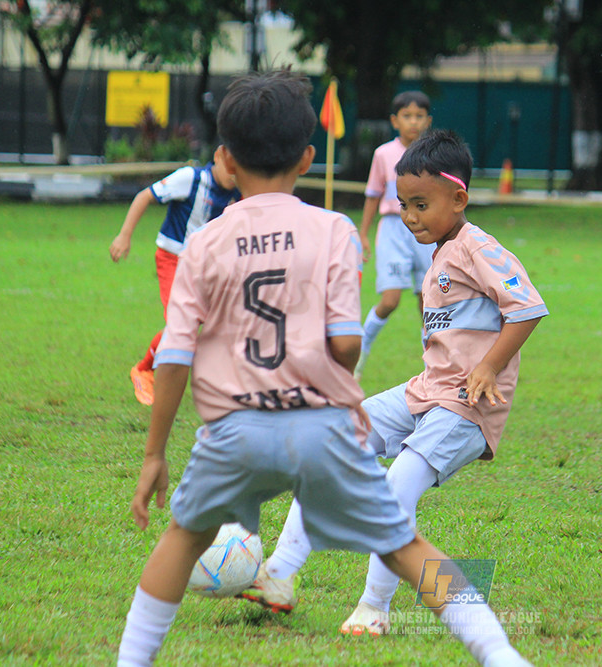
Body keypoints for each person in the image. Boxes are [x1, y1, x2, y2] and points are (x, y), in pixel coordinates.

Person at [116, 71, 530, 667]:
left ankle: (133, 659)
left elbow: (175, 355)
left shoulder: (204, 241)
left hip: (232, 427)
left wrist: (155, 454)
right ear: (309, 157)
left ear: (226, 160)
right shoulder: (332, 228)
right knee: (405, 545)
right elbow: (344, 345)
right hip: (317, 421)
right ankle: (499, 654)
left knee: (181, 540)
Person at [239, 129, 548, 638]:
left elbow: (528, 308)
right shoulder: (437, 258)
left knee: (398, 482)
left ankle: (374, 607)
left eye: (421, 205)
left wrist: (489, 365)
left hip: (467, 407)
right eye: (403, 205)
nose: (409, 217)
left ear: (459, 198)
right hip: (426, 391)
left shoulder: (479, 247)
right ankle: (278, 574)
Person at [109, 146, 239, 406]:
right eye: (231, 165)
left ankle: (223, 384)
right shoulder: (190, 178)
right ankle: (144, 369)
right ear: (218, 156)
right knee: (181, 323)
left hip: (206, 267)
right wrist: (124, 235)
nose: (234, 173)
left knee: (218, 323)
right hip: (173, 260)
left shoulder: (239, 192)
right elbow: (144, 196)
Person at [353, 91, 435, 379]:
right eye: (407, 116)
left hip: (425, 229)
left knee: (429, 299)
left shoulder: (433, 155)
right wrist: (363, 233)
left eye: (419, 116)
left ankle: (434, 366)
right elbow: (373, 195)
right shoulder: (383, 154)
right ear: (394, 121)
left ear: (428, 121)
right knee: (390, 301)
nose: (413, 122)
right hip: (392, 229)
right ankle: (359, 354)